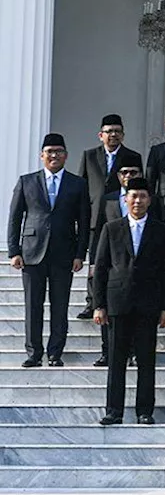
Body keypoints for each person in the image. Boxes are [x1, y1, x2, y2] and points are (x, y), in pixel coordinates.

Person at [94, 177, 165, 425]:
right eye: (133, 196)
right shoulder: (112, 228)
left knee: (146, 361)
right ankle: (113, 411)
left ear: (149, 200)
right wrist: (99, 304)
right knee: (116, 360)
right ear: (125, 199)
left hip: (148, 304)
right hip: (118, 302)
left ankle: (144, 411)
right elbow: (100, 268)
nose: (137, 200)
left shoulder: (161, 230)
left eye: (142, 196)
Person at [8, 133, 91, 368]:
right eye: (50, 151)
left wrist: (79, 254)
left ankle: (55, 353)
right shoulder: (27, 181)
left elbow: (84, 222)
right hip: (32, 253)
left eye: (59, 151)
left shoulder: (78, 184)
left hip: (64, 253)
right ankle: (34, 353)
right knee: (33, 306)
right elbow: (15, 218)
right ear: (42, 156)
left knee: (60, 305)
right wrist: (14, 250)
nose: (54, 155)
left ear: (66, 155)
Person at [77, 114, 139, 319]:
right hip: (96, 216)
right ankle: (91, 301)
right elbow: (81, 186)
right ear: (100, 134)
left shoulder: (132, 157)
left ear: (123, 135)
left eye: (117, 131)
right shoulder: (89, 155)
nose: (113, 135)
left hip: (121, 214)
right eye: (109, 131)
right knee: (95, 260)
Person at [89, 157, 144, 366]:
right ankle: (107, 351)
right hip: (112, 264)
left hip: (138, 268)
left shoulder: (148, 200)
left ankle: (133, 352)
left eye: (133, 172)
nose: (128, 176)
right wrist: (93, 260)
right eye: (124, 172)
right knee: (108, 313)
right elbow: (98, 230)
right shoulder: (108, 199)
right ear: (118, 176)